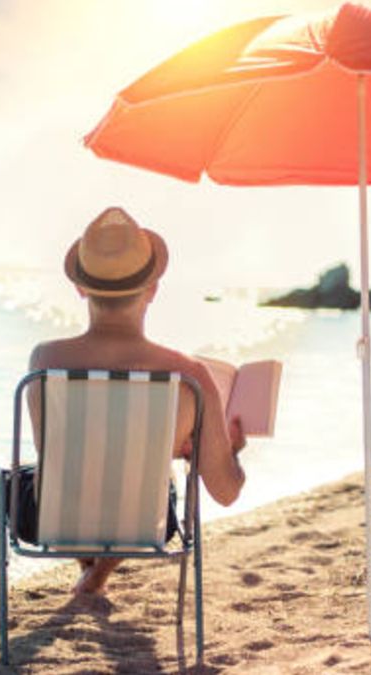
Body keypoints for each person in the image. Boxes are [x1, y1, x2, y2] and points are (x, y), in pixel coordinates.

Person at [27, 206, 246, 595]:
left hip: (51, 521)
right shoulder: (188, 375)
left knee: (72, 470)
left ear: (80, 287)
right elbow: (226, 492)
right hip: (148, 523)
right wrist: (232, 450)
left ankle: (90, 572)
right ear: (152, 290)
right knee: (145, 477)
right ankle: (95, 576)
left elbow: (59, 453)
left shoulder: (45, 361)